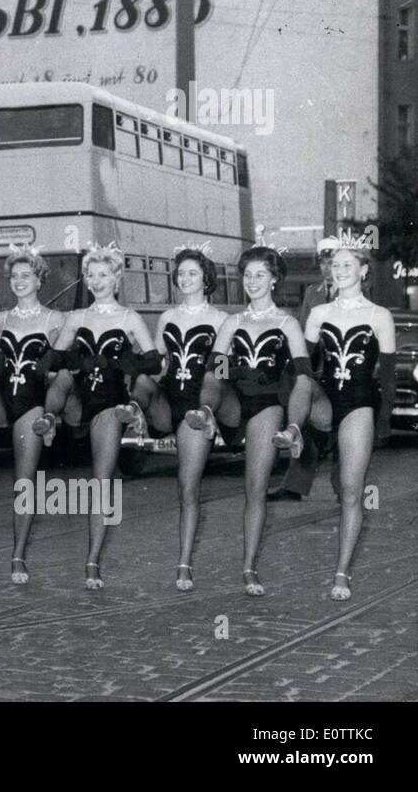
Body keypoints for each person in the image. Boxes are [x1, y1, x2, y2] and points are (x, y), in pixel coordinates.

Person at [32, 243, 158, 589]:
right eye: (91, 275)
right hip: (76, 399)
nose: (97, 280)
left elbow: (153, 361)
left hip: (107, 405)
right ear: (85, 280)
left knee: (100, 480)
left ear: (116, 279)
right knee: (64, 376)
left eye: (104, 275)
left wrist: (116, 363)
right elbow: (51, 361)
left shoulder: (128, 318)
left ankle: (92, 560)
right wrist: (68, 356)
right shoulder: (77, 318)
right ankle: (47, 418)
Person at [273, 242, 395, 600]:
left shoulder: (379, 316)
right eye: (334, 265)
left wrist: (383, 423)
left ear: (363, 271)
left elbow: (386, 378)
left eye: (347, 265)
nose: (339, 271)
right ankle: (293, 430)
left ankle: (341, 573)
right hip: (326, 398)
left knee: (351, 491)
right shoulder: (319, 312)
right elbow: (302, 364)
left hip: (359, 404)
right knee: (302, 379)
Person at [199, 245, 312, 597]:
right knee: (211, 380)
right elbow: (216, 368)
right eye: (247, 275)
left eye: (260, 274)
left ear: (274, 279)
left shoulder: (287, 323)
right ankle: (204, 413)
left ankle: (249, 566)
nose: (252, 281)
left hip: (267, 404)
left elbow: (303, 375)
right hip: (234, 398)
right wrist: (232, 369)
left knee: (255, 487)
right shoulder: (232, 322)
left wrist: (293, 416)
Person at [125, 246, 229, 591]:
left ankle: (184, 563)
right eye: (181, 274)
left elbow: (222, 369)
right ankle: (135, 412)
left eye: (192, 274)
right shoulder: (168, 317)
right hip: (169, 398)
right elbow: (160, 364)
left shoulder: (220, 320)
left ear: (206, 279)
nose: (185, 279)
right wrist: (140, 367)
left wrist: (215, 397)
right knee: (141, 382)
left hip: (198, 405)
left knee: (187, 488)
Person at [0, 245, 63, 584]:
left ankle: (18, 554)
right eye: (14, 276)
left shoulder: (53, 320)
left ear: (39, 279)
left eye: (26, 276)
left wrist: (52, 394)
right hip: (3, 399)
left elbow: (64, 368)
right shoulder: (0, 320)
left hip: (31, 405)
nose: (19, 281)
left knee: (24, 481)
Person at [269, 237, 341, 501]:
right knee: (304, 422)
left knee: (343, 427)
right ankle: (294, 486)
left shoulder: (355, 291)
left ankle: (344, 488)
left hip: (343, 369)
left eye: (332, 263)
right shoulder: (312, 292)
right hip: (316, 368)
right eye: (323, 263)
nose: (327, 268)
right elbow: (302, 330)